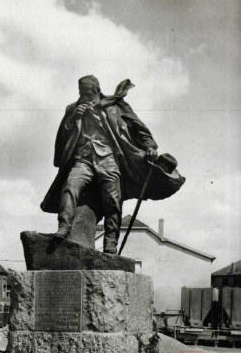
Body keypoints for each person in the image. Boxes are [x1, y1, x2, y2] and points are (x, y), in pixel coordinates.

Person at [41, 75, 185, 255]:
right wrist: (72, 121)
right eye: (82, 93)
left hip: (108, 159)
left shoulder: (115, 106)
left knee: (112, 200)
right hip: (83, 157)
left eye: (89, 93)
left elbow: (137, 126)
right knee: (71, 185)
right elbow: (62, 139)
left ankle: (110, 242)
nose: (86, 97)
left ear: (97, 90)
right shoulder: (73, 109)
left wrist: (150, 145)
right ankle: (63, 226)